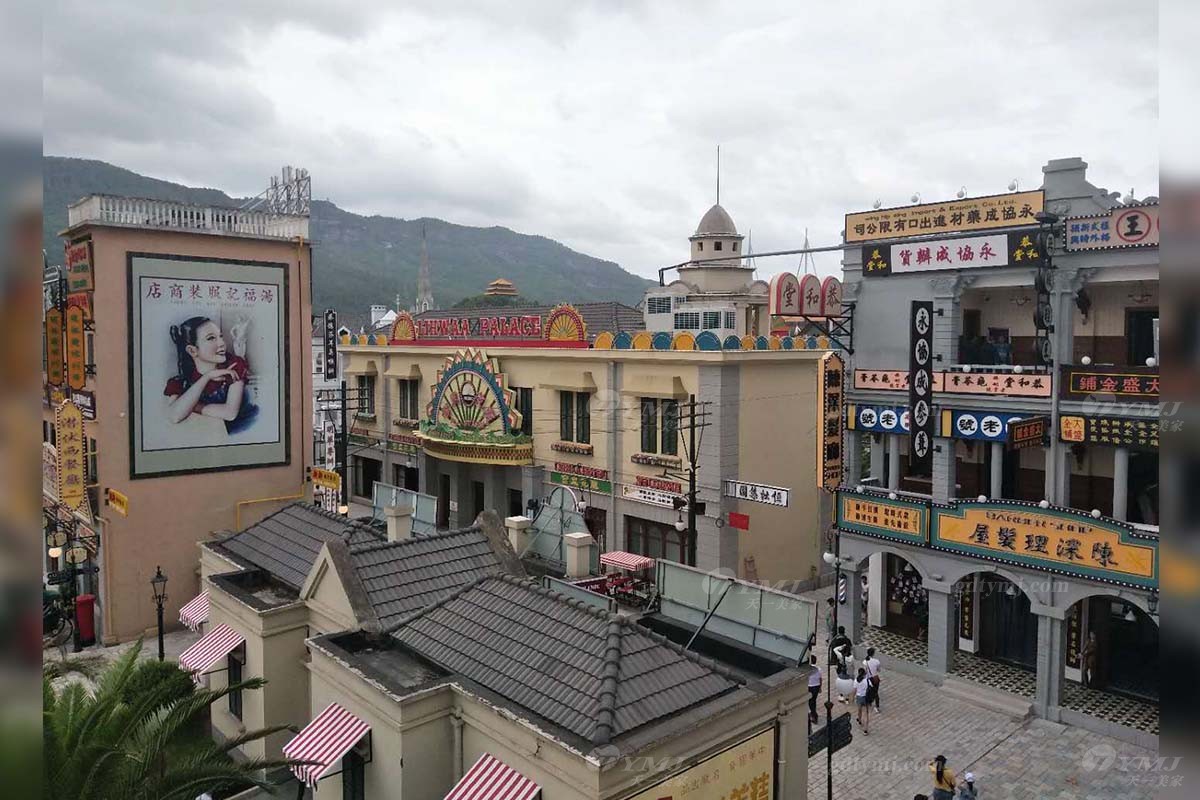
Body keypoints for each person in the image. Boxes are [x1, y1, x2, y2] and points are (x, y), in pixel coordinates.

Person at [165, 315, 258, 433]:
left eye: (220, 336)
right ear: (192, 350)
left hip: (242, 431)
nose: (221, 343)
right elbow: (174, 416)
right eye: (211, 338)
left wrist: (189, 406)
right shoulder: (180, 381)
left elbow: (230, 413)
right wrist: (207, 377)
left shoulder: (234, 365)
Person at [863, 646, 882, 713]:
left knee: (868, 690)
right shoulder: (877, 661)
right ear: (873, 654)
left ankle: (868, 702)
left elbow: (865, 671)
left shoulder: (865, 662)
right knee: (876, 692)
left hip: (868, 679)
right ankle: (877, 706)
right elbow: (879, 670)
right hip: (875, 678)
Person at [853, 666, 871, 734]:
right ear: (864, 674)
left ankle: (859, 720)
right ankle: (865, 730)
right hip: (865, 697)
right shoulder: (867, 680)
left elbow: (854, 690)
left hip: (859, 697)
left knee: (859, 710)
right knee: (866, 714)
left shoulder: (856, 680)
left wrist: (853, 698)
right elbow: (871, 686)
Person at [807, 654, 821, 725]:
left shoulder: (808, 669)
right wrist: (820, 687)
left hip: (810, 686)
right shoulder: (818, 669)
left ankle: (814, 715)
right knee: (814, 700)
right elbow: (820, 679)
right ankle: (813, 713)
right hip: (817, 686)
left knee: (810, 702)